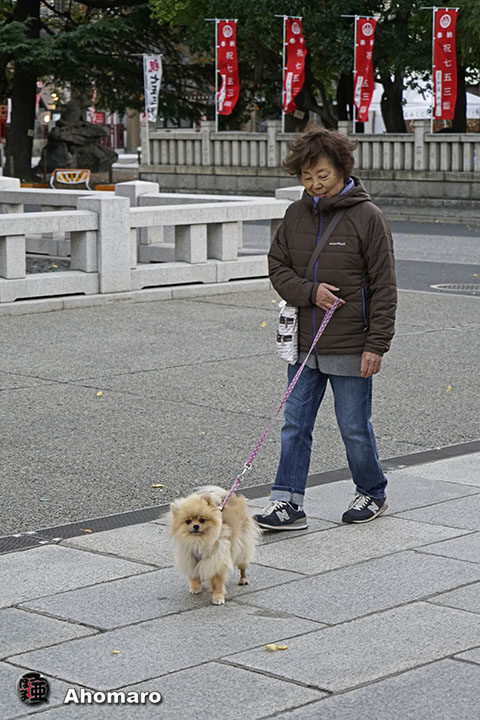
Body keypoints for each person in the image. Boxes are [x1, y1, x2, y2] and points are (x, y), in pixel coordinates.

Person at [254, 124, 397, 530]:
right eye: (307, 176)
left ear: (342, 169)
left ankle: (372, 492)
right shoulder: (295, 214)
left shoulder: (368, 217)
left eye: (323, 175)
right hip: (304, 343)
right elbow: (277, 267)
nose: (315, 184)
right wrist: (310, 292)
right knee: (295, 425)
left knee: (353, 427)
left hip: (352, 343)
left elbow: (384, 287)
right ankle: (288, 503)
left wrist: (377, 344)